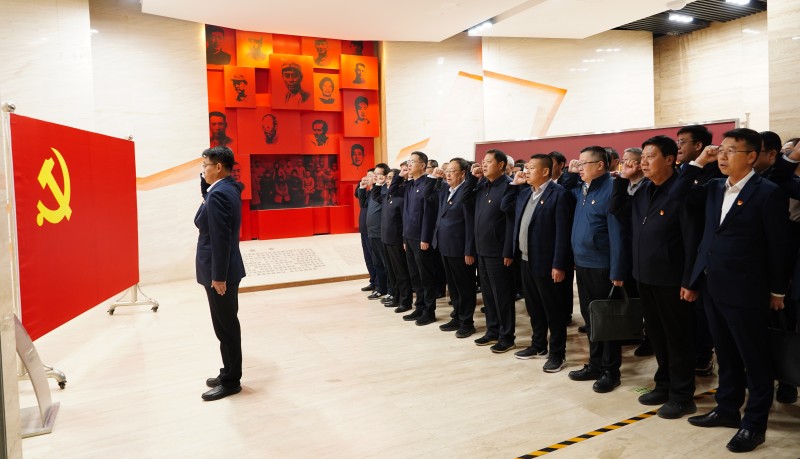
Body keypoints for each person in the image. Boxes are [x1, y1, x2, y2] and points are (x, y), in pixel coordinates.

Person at [680, 128, 789, 453]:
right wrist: (698, 162)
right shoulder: (715, 187)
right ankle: (727, 408)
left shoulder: (767, 192)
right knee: (724, 353)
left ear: (751, 157)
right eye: (721, 149)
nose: (723, 156)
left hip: (746, 289)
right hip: (713, 284)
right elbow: (679, 195)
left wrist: (777, 290)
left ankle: (754, 424)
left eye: (731, 151)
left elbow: (779, 245)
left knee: (753, 358)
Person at [610, 136, 697, 419]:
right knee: (657, 336)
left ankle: (683, 396)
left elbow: (691, 241)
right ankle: (664, 385)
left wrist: (689, 281)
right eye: (643, 157)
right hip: (644, 276)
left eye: (651, 157)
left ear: (670, 159)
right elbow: (617, 210)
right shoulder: (645, 189)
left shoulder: (680, 192)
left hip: (672, 280)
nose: (644, 162)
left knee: (677, 338)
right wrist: (622, 180)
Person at [563, 146, 628, 393]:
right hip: (583, 264)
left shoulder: (612, 189)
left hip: (603, 266)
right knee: (590, 319)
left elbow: (618, 234)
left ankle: (611, 371)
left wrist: (618, 270)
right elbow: (565, 190)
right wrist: (570, 174)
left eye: (583, 164)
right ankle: (595, 363)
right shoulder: (584, 188)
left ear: (600, 165)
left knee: (606, 322)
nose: (578, 168)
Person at [511, 154, 574, 372]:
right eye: (526, 167)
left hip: (547, 263)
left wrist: (559, 264)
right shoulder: (525, 193)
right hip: (526, 259)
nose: (526, 171)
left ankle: (558, 354)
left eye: (531, 168)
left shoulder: (560, 194)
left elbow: (563, 233)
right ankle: (538, 345)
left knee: (553, 311)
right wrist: (515, 185)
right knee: (534, 307)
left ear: (545, 171)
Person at [195, 146, 245, 401]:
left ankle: (231, 381)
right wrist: (205, 185)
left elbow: (220, 239)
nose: (202, 170)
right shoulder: (227, 188)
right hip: (225, 268)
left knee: (226, 327)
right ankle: (228, 371)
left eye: (205, 166)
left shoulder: (218, 195)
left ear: (218, 167)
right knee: (225, 324)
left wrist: (218, 276)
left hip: (220, 273)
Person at [675, 124, 721, 378]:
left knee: (702, 311)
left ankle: (703, 355)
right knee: (688, 309)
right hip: (684, 248)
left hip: (704, 252)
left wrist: (699, 164)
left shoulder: (714, 175)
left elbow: (685, 197)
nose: (678, 147)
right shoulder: (684, 170)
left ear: (699, 146)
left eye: (682, 142)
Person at [471, 149, 520, 353]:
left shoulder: (509, 186)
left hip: (499, 251)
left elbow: (511, 222)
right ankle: (492, 331)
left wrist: (508, 251)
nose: (483, 164)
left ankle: (507, 336)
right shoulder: (483, 185)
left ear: (501, 165)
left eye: (488, 162)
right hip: (482, 249)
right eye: (483, 161)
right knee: (489, 295)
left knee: (502, 296)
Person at [389, 152, 438, 325]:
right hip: (408, 237)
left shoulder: (428, 184)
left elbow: (429, 215)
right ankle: (420, 307)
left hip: (421, 238)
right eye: (408, 161)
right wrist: (399, 176)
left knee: (426, 276)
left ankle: (429, 311)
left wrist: (425, 238)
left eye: (412, 162)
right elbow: (392, 191)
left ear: (423, 165)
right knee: (415, 275)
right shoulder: (410, 184)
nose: (409, 165)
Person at [431, 158, 478, 338]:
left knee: (465, 287)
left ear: (463, 173)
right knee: (453, 286)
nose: (448, 174)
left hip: (460, 249)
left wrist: (469, 250)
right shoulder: (447, 191)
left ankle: (467, 322)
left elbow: (470, 224)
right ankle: (457, 316)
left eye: (452, 171)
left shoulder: (466, 193)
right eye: (447, 171)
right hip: (446, 246)